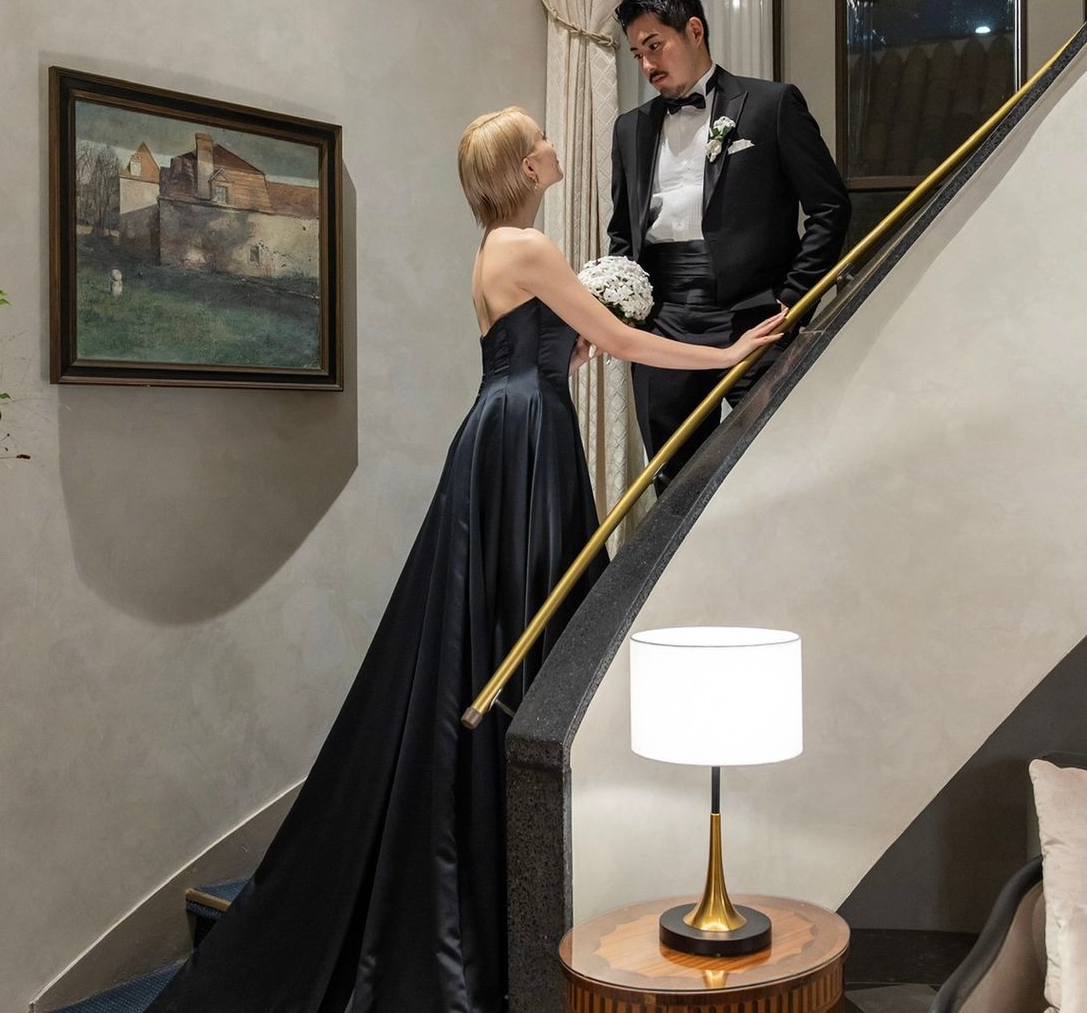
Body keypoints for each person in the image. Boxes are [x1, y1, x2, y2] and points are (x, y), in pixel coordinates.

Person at [146, 108, 783, 1013]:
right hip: (525, 438)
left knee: (497, 623)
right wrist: (727, 353)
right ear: (524, 166)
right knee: (527, 622)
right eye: (541, 139)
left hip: (505, 430)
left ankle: (510, 838)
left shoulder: (495, 249)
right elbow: (621, 344)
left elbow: (552, 352)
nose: (553, 146)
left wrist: (581, 346)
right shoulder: (526, 247)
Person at [609, 0, 850, 489]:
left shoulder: (771, 105)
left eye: (655, 45)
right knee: (673, 481)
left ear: (694, 30)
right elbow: (624, 235)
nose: (647, 65)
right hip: (664, 324)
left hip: (755, 315)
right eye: (637, 54)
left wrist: (792, 300)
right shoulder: (630, 127)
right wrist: (622, 314)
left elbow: (829, 207)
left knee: (771, 472)